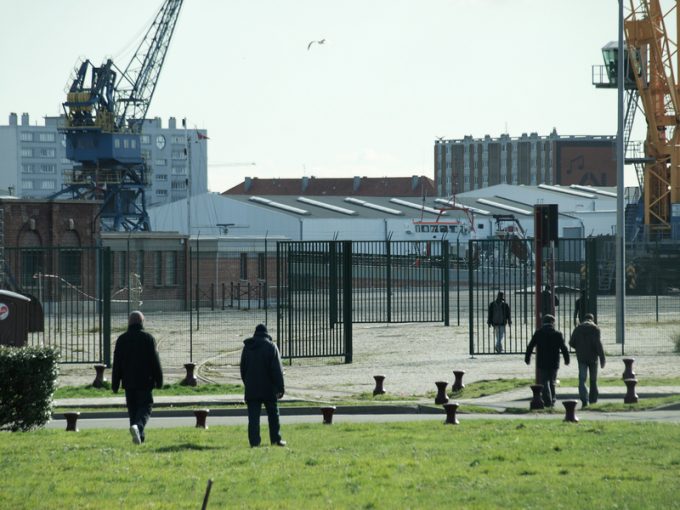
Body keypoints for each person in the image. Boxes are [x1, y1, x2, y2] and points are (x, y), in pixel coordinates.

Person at [112, 311, 163, 445]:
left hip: (128, 382)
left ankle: (139, 437)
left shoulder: (122, 339)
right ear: (142, 322)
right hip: (145, 381)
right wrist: (159, 380)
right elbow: (155, 361)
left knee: (133, 409)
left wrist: (115, 383)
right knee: (146, 407)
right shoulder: (148, 338)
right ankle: (138, 428)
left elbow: (117, 363)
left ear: (129, 322)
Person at [240, 324, 286, 447]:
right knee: (273, 416)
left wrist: (248, 383)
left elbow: (242, 369)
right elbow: (277, 370)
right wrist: (280, 388)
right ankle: (276, 439)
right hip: (269, 388)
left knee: (253, 418)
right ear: (266, 333)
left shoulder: (247, 347)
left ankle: (254, 442)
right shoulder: (271, 347)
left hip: (252, 388)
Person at [524, 314, 570, 407]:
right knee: (552, 381)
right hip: (554, 361)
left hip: (542, 361)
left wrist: (527, 358)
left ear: (543, 322)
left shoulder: (538, 333)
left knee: (544, 381)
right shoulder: (557, 334)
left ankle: (547, 400)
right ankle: (552, 399)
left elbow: (531, 346)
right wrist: (566, 359)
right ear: (552, 323)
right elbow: (563, 348)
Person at [569, 313, 605, 408]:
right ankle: (593, 400)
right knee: (593, 380)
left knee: (582, 380)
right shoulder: (595, 329)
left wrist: (579, 347)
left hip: (581, 358)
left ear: (583, 319)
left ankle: (584, 400)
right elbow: (598, 344)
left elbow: (571, 342)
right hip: (593, 358)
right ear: (592, 319)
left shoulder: (578, 329)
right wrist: (602, 358)